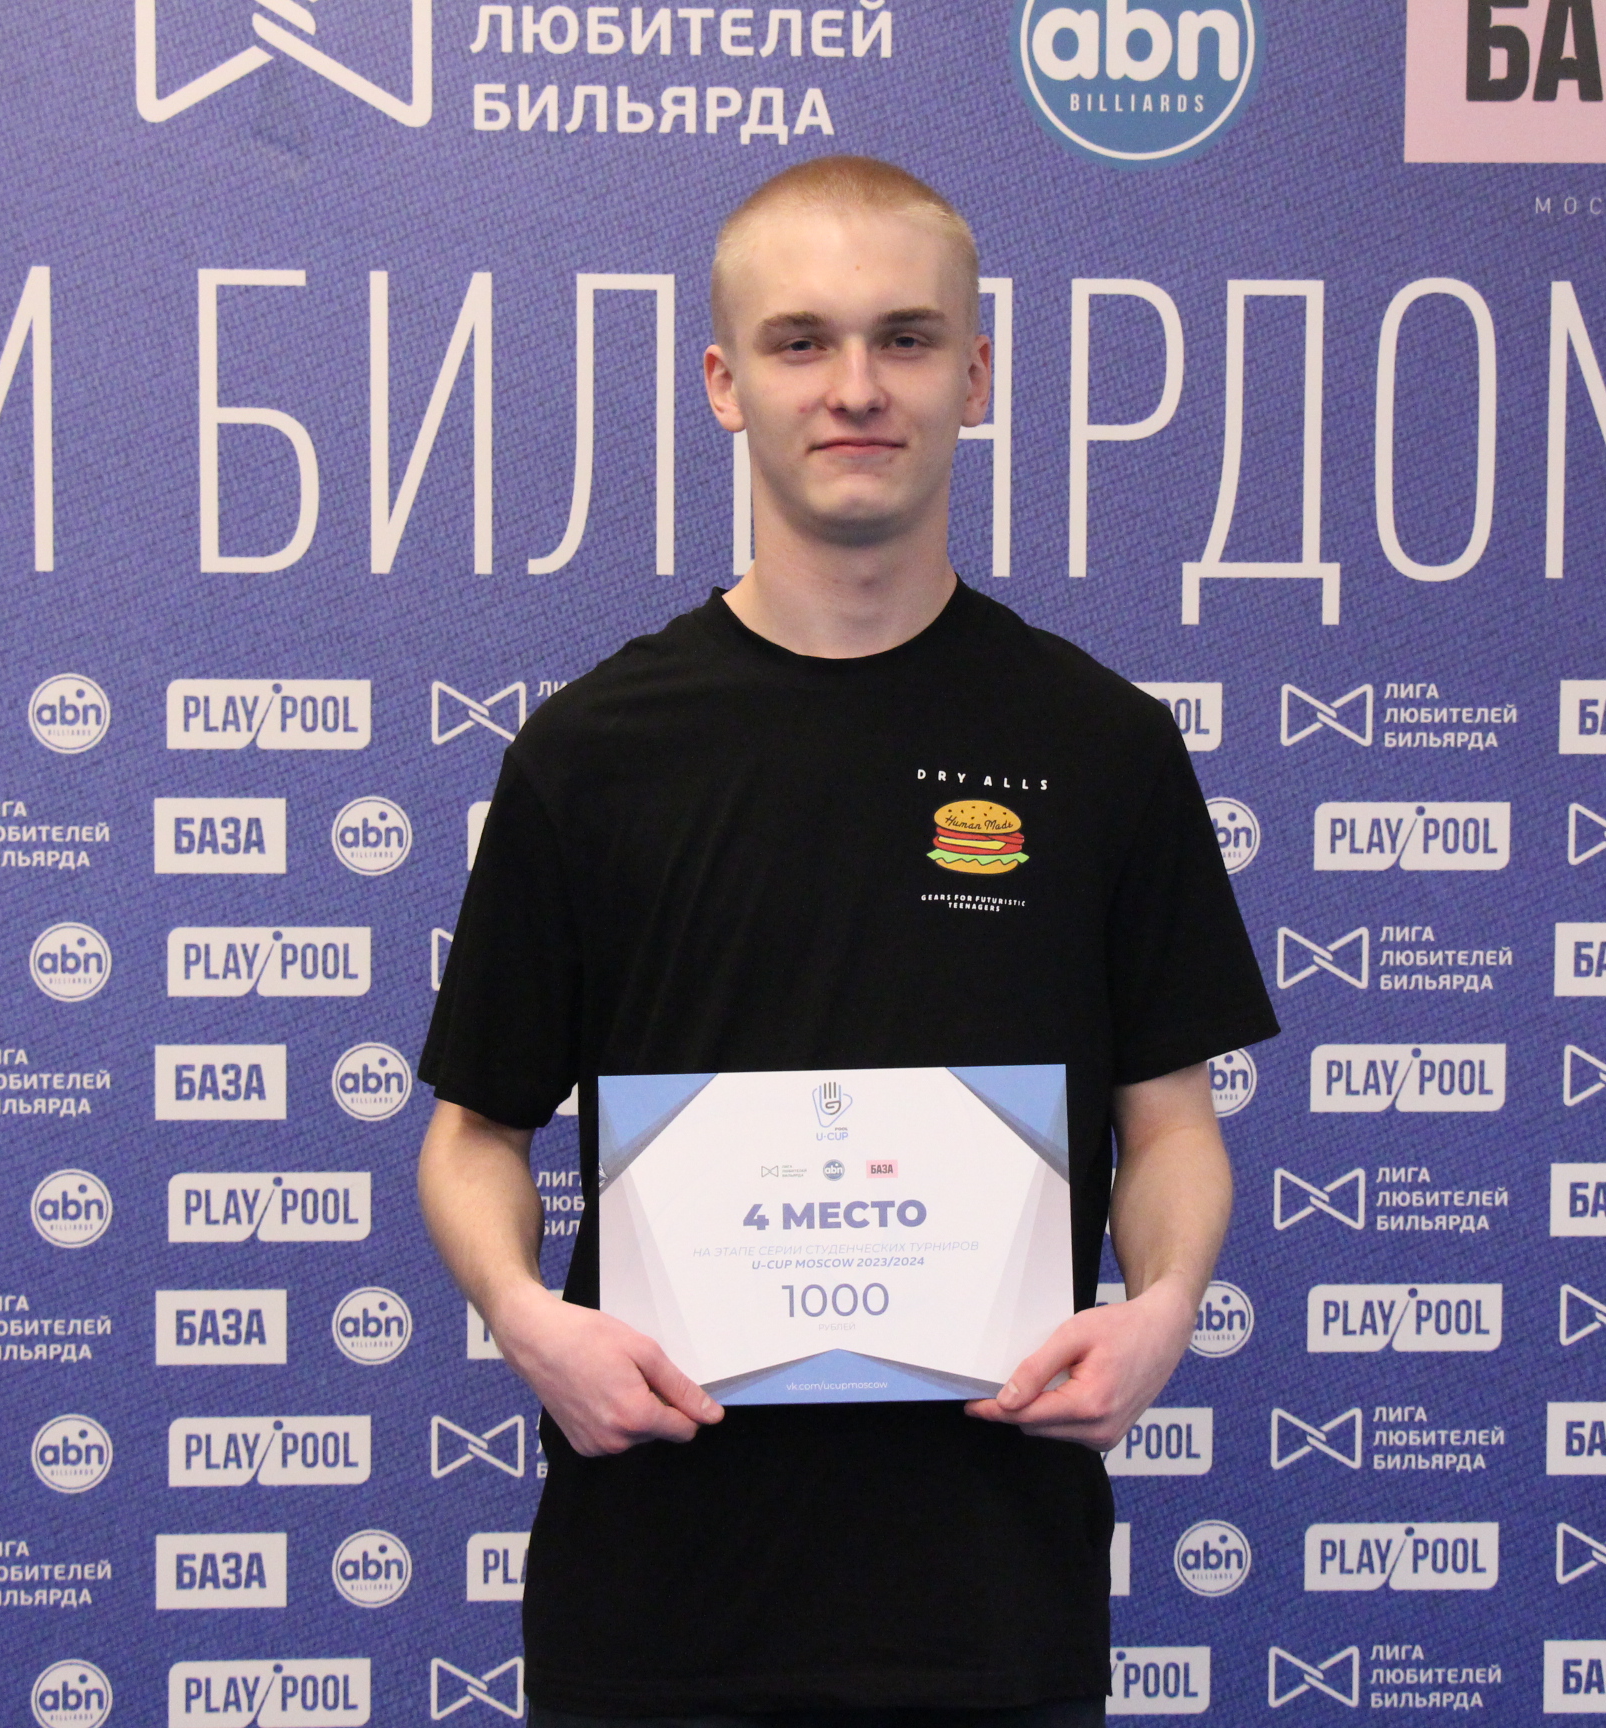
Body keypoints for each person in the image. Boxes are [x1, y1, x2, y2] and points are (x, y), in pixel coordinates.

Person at [413, 155, 1276, 1724]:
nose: (857, 386)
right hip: (657, 1609)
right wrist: (530, 1326)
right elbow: (473, 1136)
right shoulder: (591, 754)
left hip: (994, 1609)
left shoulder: (1102, 746)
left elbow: (1171, 1128)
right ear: (724, 383)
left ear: (977, 377)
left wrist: (1163, 1313)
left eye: (907, 338)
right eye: (802, 341)